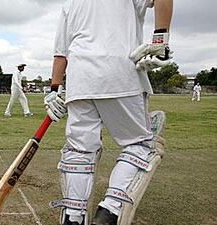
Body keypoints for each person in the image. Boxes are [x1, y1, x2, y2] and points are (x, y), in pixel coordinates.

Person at [44, 0, 173, 224]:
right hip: (121, 73)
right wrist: (160, 40)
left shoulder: (70, 4)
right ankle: (110, 212)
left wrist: (54, 90)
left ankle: (74, 216)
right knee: (139, 144)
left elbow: (60, 55)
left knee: (80, 150)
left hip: (80, 79)